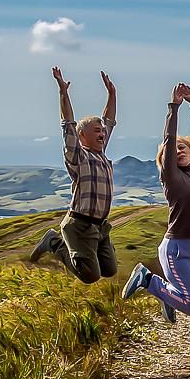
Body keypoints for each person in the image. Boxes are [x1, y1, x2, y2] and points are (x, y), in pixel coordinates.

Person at [122, 84, 190, 322]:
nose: (178, 151)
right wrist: (174, 108)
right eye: (172, 151)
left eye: (183, 147)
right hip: (178, 250)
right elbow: (168, 140)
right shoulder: (172, 177)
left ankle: (169, 296)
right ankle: (148, 279)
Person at [30, 68, 119, 284]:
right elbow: (68, 124)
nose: (102, 133)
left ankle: (89, 253)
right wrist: (63, 93)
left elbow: (109, 120)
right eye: (96, 130)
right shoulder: (78, 156)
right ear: (82, 135)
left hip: (100, 226)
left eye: (102, 131)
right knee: (90, 276)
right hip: (79, 224)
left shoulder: (101, 153)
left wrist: (112, 94)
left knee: (109, 270)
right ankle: (53, 242)